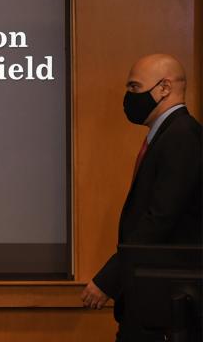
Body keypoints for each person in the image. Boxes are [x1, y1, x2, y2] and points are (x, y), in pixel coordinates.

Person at [81, 53, 202, 340]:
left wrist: (110, 278)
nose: (129, 97)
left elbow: (159, 220)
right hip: (155, 306)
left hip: (166, 311)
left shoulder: (182, 136)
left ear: (164, 88)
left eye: (134, 87)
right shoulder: (169, 135)